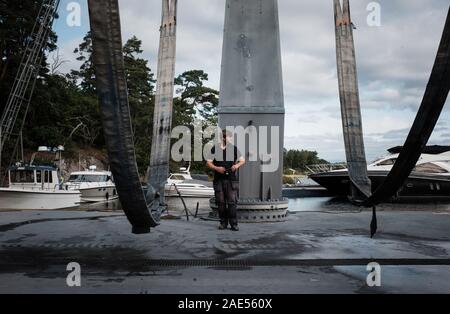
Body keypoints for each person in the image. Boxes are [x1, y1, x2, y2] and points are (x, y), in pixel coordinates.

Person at [207, 130, 245, 231]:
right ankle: (223, 223)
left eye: (230, 137)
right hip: (218, 180)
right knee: (220, 202)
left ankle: (234, 224)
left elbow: (242, 160)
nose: (229, 139)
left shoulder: (234, 148)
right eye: (227, 137)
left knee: (232, 202)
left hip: (231, 180)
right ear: (222, 138)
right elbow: (209, 162)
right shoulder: (215, 148)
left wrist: (236, 165)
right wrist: (216, 168)